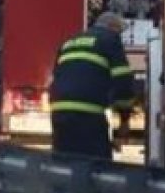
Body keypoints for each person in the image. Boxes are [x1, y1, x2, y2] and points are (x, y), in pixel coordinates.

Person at [49, 11, 135, 161]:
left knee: (64, 164)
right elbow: (123, 81)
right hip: (88, 115)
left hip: (60, 115)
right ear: (112, 27)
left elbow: (56, 77)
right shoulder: (110, 39)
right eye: (120, 32)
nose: (120, 36)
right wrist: (124, 120)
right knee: (97, 166)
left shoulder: (69, 42)